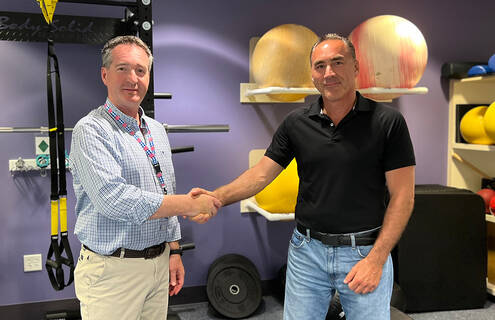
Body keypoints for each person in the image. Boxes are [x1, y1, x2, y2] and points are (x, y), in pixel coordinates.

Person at [192, 33, 415, 319]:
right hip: (307, 251)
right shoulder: (297, 123)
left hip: (364, 252)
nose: (329, 73)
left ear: (356, 67)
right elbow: (261, 175)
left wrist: (377, 258)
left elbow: (403, 196)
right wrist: (217, 197)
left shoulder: (387, 122)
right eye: (320, 66)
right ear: (312, 73)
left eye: (337, 62)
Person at [70, 35, 220, 320]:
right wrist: (187, 205)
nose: (133, 78)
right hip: (113, 271)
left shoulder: (156, 130)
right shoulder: (90, 130)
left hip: (158, 262)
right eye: (122, 69)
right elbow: (114, 200)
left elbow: (165, 189)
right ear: (105, 74)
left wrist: (174, 250)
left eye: (141, 70)